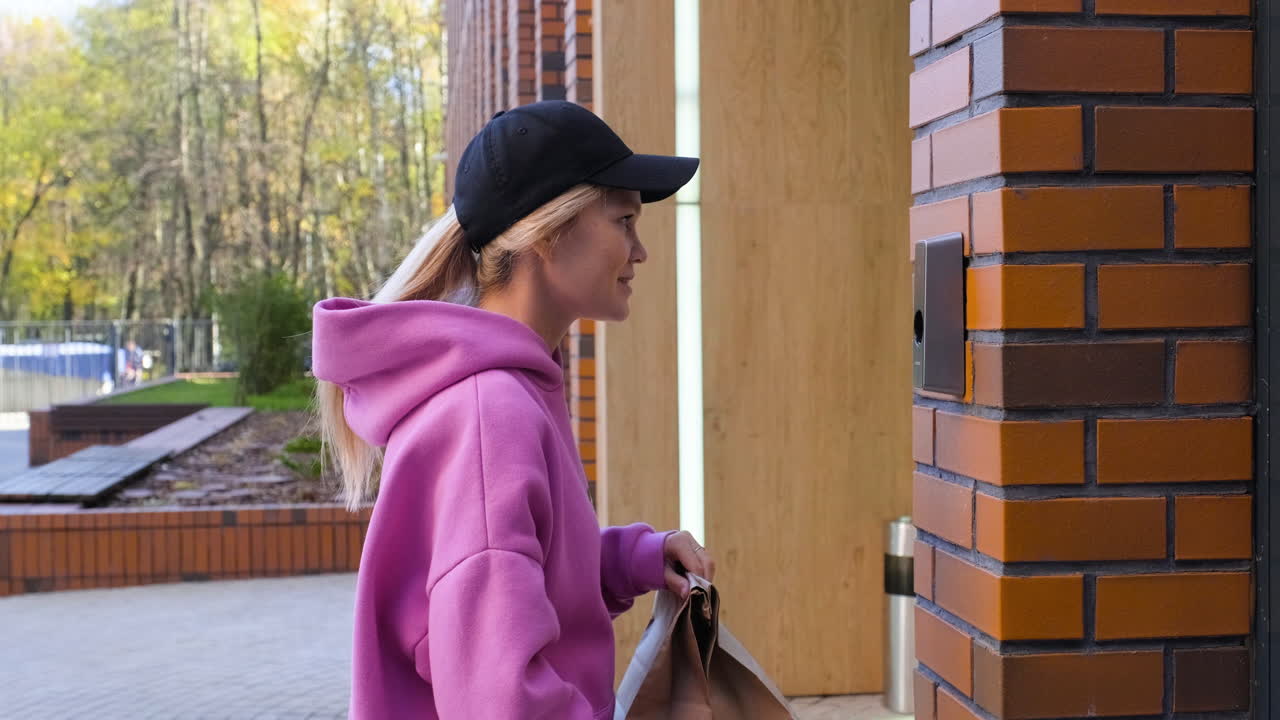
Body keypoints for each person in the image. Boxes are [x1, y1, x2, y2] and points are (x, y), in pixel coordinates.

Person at [311, 101, 716, 719]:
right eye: (625, 221)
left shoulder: (507, 390)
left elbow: (515, 577)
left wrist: (632, 558)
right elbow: (500, 698)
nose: (641, 252)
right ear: (549, 234)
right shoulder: (490, 413)